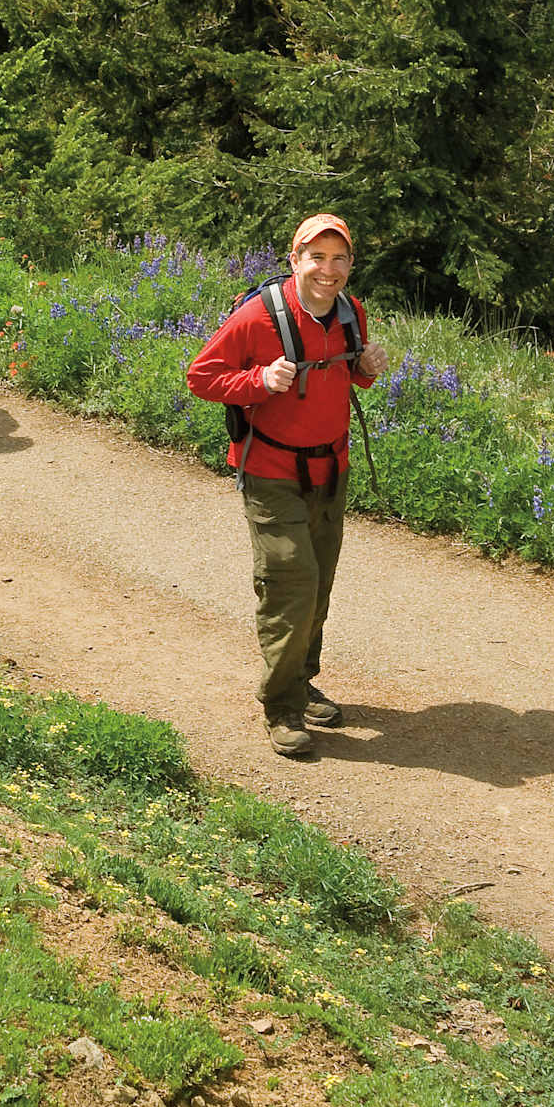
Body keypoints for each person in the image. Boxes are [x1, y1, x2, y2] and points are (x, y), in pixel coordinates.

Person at [186, 214, 390, 759]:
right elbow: (200, 376)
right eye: (316, 257)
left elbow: (351, 374)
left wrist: (369, 366)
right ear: (294, 259)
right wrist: (259, 381)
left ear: (350, 265)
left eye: (339, 258)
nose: (329, 270)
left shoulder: (351, 312)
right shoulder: (258, 315)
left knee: (318, 581)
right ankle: (281, 705)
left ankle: (300, 677)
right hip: (271, 471)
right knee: (291, 581)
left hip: (331, 470)